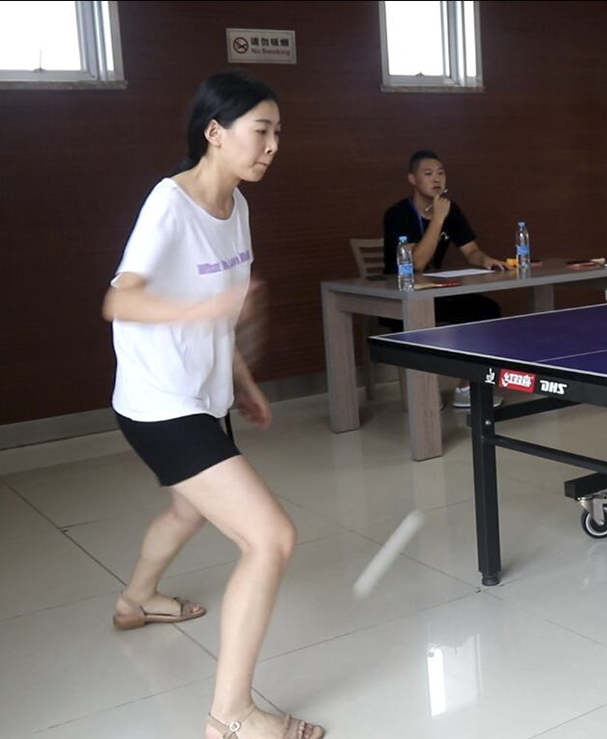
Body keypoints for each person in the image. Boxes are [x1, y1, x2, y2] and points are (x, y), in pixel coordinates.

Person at [102, 71, 325, 739]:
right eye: (262, 130)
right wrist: (202, 310)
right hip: (159, 402)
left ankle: (136, 600)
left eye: (278, 132)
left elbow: (221, 314)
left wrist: (243, 382)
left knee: (188, 508)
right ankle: (232, 715)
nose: (273, 145)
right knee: (270, 537)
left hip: (203, 394)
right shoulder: (170, 204)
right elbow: (119, 299)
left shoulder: (238, 207)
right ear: (215, 132)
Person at [382, 149, 508, 407]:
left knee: (486, 310)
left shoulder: (451, 209)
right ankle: (424, 396)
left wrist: (486, 260)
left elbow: (471, 251)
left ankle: (466, 388)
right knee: (420, 321)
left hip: (433, 293)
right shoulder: (397, 214)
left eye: (441, 173)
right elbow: (416, 263)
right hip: (399, 299)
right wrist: (438, 219)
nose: (437, 178)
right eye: (428, 173)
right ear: (412, 179)